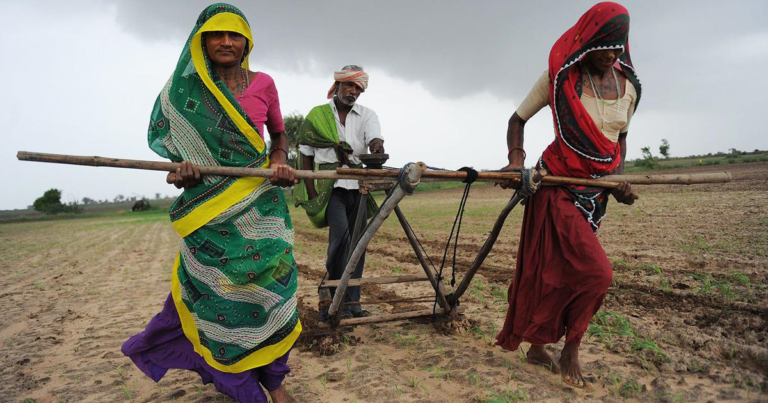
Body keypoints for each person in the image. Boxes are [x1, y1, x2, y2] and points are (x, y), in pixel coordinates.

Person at [121, 4, 300, 402]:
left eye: (233, 34)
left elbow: (279, 135)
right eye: (215, 34)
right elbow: (175, 164)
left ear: (246, 42)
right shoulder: (184, 94)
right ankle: (242, 384)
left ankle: (273, 379)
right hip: (211, 218)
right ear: (200, 40)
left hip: (262, 209)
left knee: (276, 293)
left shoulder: (265, 83)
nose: (225, 41)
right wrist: (182, 171)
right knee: (218, 302)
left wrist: (280, 161)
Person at [495, 2, 641, 389]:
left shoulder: (631, 88)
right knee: (597, 273)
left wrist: (618, 182)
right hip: (556, 184)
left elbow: (619, 140)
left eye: (618, 47)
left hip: (596, 195)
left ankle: (537, 346)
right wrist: (516, 162)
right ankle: (571, 347)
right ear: (588, 40)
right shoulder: (560, 78)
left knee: (559, 274)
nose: (611, 55)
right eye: (604, 46)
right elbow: (517, 121)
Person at [294, 66, 385, 319]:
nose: (353, 91)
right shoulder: (318, 115)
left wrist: (377, 147)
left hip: (359, 187)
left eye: (358, 88)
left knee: (359, 244)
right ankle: (335, 300)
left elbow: (375, 138)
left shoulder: (367, 115)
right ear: (337, 86)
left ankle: (353, 305)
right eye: (349, 86)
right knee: (341, 240)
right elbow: (305, 154)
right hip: (329, 187)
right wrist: (312, 193)